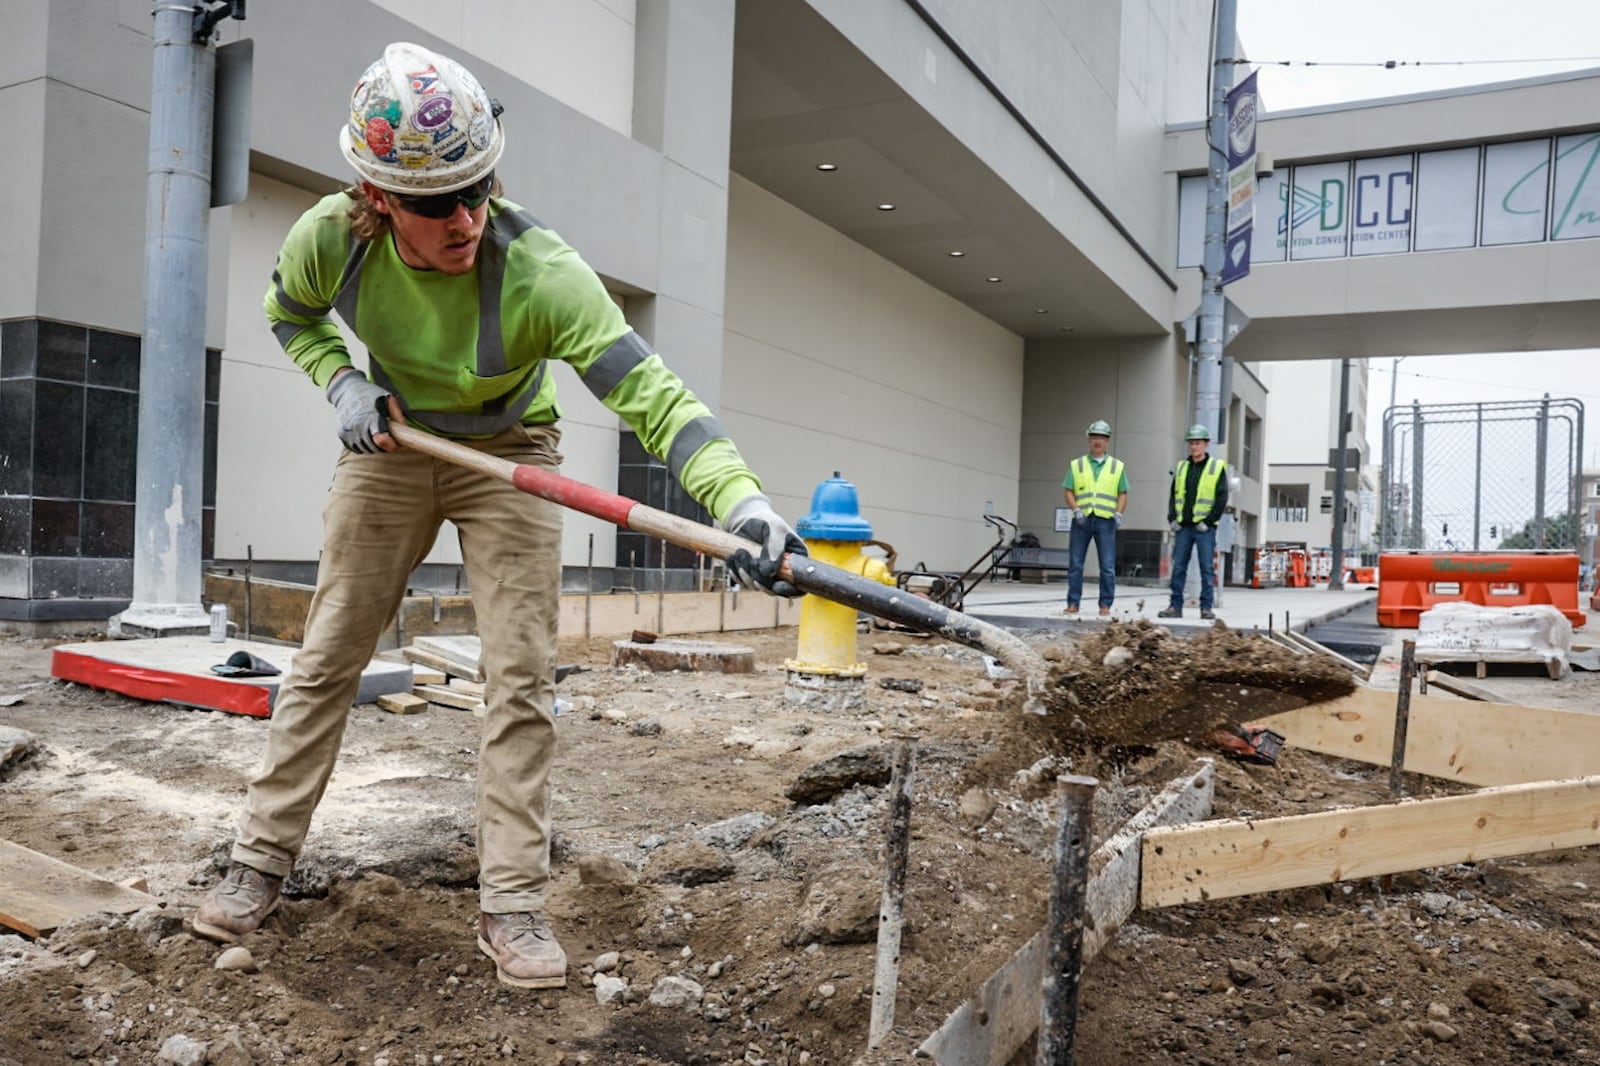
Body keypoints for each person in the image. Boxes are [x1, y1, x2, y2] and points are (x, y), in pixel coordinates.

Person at [191, 42, 806, 990]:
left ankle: (513, 902)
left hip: (513, 456)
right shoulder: (331, 237)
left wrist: (744, 502)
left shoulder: (541, 272)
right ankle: (257, 861)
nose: (466, 219)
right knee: (329, 655)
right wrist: (344, 383)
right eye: (439, 202)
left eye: (479, 188)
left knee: (519, 676)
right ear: (379, 194)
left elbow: (653, 395)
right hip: (391, 448)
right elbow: (291, 314)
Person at [1159, 425, 1229, 621]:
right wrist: (1172, 518)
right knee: (1179, 567)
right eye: (1192, 443)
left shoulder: (1215, 468)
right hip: (1184, 527)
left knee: (1207, 568)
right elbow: (1174, 495)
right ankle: (1175, 606)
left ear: (1206, 444)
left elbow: (1222, 497)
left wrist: (1209, 520)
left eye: (1198, 443)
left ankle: (1206, 608)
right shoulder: (1182, 467)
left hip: (1204, 528)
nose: (1194, 446)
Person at [1060, 420, 1127, 616]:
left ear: (1107, 441)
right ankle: (1073, 603)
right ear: (1089, 440)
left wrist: (1119, 513)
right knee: (1075, 564)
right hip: (1082, 520)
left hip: (1106, 521)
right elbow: (1068, 490)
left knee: (1107, 566)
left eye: (1102, 438)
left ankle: (1105, 605)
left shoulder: (1117, 466)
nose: (1098, 441)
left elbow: (1123, 492)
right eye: (1094, 437)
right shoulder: (1077, 465)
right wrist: (1076, 510)